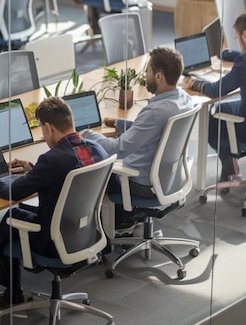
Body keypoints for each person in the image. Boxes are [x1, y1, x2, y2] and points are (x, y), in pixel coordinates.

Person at [0, 96, 110, 307]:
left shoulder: (52, 160)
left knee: (12, 218)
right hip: (86, 232)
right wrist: (34, 170)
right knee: (15, 215)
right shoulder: (96, 149)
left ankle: (6, 285)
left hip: (57, 242)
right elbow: (66, 170)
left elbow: (13, 192)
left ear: (47, 128)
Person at [82, 47, 196, 228]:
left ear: (158, 76)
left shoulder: (155, 112)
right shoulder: (185, 99)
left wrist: (87, 134)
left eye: (148, 71)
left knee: (90, 171)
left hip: (142, 184)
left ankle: (107, 229)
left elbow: (115, 149)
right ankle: (127, 219)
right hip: (170, 177)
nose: (146, 76)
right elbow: (156, 129)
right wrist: (120, 124)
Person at [183, 12, 246, 185]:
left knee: (214, 113)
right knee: (224, 110)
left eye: (237, 37)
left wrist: (194, 83)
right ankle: (230, 161)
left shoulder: (245, 63)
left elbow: (217, 90)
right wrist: (230, 54)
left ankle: (229, 161)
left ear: (245, 35)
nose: (237, 40)